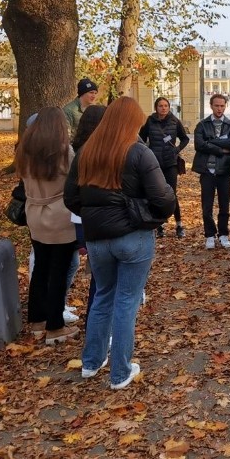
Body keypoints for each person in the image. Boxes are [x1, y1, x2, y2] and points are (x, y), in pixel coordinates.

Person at [64, 96, 176, 389]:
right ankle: (120, 372)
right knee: (126, 302)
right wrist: (147, 216)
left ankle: (91, 362)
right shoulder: (138, 152)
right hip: (132, 237)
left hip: (98, 240)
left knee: (102, 297)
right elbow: (162, 198)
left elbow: (71, 198)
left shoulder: (86, 152)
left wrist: (95, 217)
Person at [16, 107, 79, 345]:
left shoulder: (24, 151)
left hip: (34, 213)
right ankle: (55, 326)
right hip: (59, 216)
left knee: (41, 268)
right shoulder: (64, 152)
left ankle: (37, 320)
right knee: (59, 271)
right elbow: (74, 182)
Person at [69, 104, 107, 328]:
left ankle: (93, 319)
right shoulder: (96, 151)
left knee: (98, 275)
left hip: (82, 220)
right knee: (101, 279)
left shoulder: (77, 149)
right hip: (96, 220)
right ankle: (95, 322)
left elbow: (71, 194)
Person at [192, 94, 230, 249]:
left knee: (224, 204)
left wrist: (210, 142)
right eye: (217, 105)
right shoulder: (202, 125)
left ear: (225, 106)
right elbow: (199, 145)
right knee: (207, 205)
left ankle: (223, 234)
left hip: (224, 170)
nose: (219, 108)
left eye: (222, 106)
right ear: (211, 106)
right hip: (207, 171)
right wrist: (220, 149)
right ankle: (210, 235)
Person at [139, 97, 190, 238]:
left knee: (171, 194)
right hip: (154, 164)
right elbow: (140, 139)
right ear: (156, 107)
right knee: (156, 194)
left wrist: (177, 149)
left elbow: (185, 138)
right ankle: (159, 225)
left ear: (169, 107)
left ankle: (179, 225)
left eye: (166, 106)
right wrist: (146, 151)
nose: (163, 108)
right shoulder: (149, 121)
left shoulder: (174, 121)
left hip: (170, 163)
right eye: (160, 106)